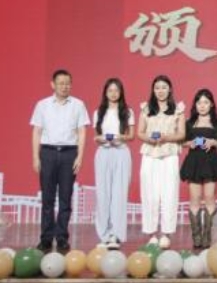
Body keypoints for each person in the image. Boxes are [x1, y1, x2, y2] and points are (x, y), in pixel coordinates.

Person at [30, 69, 90, 253]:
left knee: (65, 198)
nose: (65, 86)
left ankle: (62, 237)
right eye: (61, 83)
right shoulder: (42, 105)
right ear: (53, 84)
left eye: (67, 83)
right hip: (47, 152)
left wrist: (80, 156)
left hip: (69, 153)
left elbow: (82, 132)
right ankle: (46, 238)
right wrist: (36, 156)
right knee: (47, 198)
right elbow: (37, 131)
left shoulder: (78, 105)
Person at [137, 75, 185, 249]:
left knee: (169, 193)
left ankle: (166, 233)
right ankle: (151, 233)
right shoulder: (146, 108)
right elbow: (140, 132)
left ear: (169, 89)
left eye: (164, 87)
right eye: (157, 87)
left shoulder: (178, 110)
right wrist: (149, 139)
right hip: (150, 154)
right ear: (153, 90)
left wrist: (166, 137)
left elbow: (182, 134)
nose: (161, 91)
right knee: (149, 193)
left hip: (170, 154)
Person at [180, 89, 217, 249]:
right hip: (194, 162)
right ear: (195, 105)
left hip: (210, 162)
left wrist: (213, 142)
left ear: (211, 104)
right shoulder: (189, 122)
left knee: (209, 197)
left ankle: (207, 237)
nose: (202, 105)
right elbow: (181, 142)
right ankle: (196, 237)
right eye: (199, 102)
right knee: (194, 199)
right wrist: (190, 143)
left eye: (206, 102)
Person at [93, 78, 134, 250]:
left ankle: (116, 235)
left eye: (116, 90)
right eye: (110, 90)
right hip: (104, 153)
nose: (113, 93)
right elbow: (96, 137)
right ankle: (104, 235)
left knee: (119, 194)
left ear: (121, 92)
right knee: (103, 194)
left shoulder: (128, 112)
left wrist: (119, 137)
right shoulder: (99, 112)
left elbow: (131, 136)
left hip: (121, 153)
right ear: (105, 92)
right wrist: (102, 139)